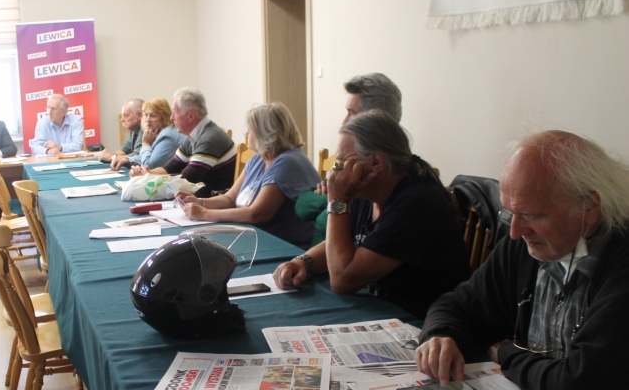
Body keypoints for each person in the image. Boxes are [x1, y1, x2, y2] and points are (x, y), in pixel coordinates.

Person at [412, 130, 629, 390]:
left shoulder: (620, 260)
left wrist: (505, 353)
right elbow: (459, 304)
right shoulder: (531, 244)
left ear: (589, 207)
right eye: (510, 213)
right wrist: (441, 334)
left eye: (531, 215)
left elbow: (579, 388)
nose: (514, 232)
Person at [272, 110, 470, 319]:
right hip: (382, 309)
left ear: (376, 163)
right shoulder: (367, 192)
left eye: (343, 162)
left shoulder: (416, 204)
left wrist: (337, 200)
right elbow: (339, 244)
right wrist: (303, 262)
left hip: (421, 322)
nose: (336, 171)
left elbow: (342, 280)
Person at [175, 102, 320, 248]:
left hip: (289, 247)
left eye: (251, 130)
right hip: (260, 238)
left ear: (266, 134)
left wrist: (204, 214)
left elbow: (256, 214)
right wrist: (199, 202)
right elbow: (230, 199)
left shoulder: (287, 162)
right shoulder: (259, 157)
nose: (246, 134)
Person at [295, 73, 403, 245]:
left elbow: (326, 221)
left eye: (351, 113)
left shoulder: (374, 172)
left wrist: (334, 199)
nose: (344, 121)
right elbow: (301, 205)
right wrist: (333, 200)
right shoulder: (351, 160)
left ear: (376, 118)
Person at [138, 87, 236, 197]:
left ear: (191, 115)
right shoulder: (194, 136)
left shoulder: (209, 138)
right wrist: (146, 173)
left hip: (211, 200)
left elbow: (186, 179)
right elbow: (171, 168)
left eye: (175, 112)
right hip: (197, 196)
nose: (172, 117)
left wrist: (147, 177)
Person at [122, 98, 184, 172]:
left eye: (153, 116)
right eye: (146, 115)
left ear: (164, 117)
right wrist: (128, 160)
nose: (148, 119)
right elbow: (151, 156)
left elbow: (149, 166)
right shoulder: (156, 132)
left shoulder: (167, 136)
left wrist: (146, 144)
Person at [104, 98, 144, 166]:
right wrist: (108, 155)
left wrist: (112, 157)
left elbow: (137, 156)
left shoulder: (145, 129)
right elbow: (123, 150)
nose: (121, 120)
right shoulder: (134, 129)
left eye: (126, 115)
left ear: (139, 115)